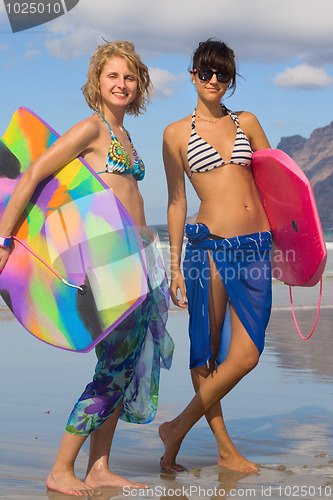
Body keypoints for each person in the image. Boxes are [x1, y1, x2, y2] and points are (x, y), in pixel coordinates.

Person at [0, 40, 174, 496]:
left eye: (130, 77)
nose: (121, 84)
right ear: (97, 81)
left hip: (143, 260)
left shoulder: (126, 136)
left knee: (127, 362)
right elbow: (35, 171)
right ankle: (61, 468)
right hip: (112, 267)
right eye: (113, 75)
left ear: (139, 87)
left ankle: (99, 468)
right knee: (114, 369)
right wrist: (4, 237)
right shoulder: (92, 129)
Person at [160, 38, 272, 473]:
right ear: (192, 75)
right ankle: (224, 448)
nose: (213, 81)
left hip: (258, 248)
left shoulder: (248, 121)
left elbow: (275, 182)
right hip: (209, 248)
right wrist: (175, 268)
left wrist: (300, 247)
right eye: (205, 72)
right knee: (206, 354)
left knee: (246, 355)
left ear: (230, 80)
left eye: (222, 74)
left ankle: (176, 428)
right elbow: (175, 203)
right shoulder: (175, 134)